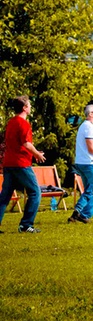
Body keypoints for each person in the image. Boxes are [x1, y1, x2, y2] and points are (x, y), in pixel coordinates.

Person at [0, 96, 46, 233]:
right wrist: (37, 154)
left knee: (5, 195)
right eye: (29, 105)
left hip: (8, 162)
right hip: (21, 163)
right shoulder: (23, 123)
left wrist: (35, 152)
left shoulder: (11, 122)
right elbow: (26, 143)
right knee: (35, 192)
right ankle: (26, 225)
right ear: (24, 108)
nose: (31, 107)